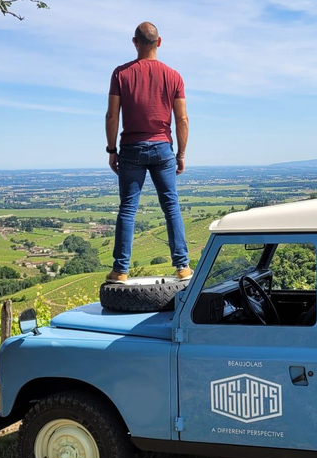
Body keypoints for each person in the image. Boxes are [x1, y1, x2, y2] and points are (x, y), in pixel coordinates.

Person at [104, 21, 191, 284]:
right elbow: (182, 119)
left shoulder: (121, 74)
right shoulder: (174, 76)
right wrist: (181, 154)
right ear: (159, 42)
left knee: (128, 209)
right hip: (163, 147)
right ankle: (183, 267)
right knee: (171, 207)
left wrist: (111, 149)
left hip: (131, 148)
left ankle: (120, 270)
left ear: (134, 42)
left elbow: (112, 115)